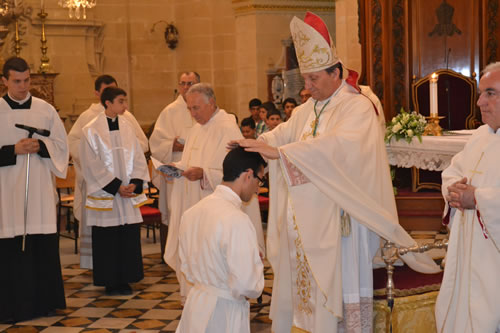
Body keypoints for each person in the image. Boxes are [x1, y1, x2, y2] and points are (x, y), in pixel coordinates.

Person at [231, 12, 439, 333]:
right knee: (306, 290)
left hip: (344, 220)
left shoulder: (355, 106)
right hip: (307, 219)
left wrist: (283, 153)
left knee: (341, 286)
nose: (308, 87)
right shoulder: (307, 110)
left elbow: (341, 147)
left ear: (336, 72)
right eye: (306, 79)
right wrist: (258, 142)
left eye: (314, 79)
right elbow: (283, 134)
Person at [163, 83, 265, 304]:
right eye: (190, 109)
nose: (193, 114)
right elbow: (192, 161)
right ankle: (195, 300)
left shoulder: (227, 127)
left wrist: (204, 174)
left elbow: (240, 172)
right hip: (195, 205)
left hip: (217, 211)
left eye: (197, 108)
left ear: (212, 103)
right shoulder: (197, 128)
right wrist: (178, 168)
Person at [0, 57, 68, 322]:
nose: (23, 86)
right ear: (4, 80)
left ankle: (44, 303)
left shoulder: (45, 110)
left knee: (40, 244)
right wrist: (12, 151)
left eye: (26, 80)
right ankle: (9, 306)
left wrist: (42, 147)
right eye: (17, 81)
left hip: (38, 190)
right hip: (6, 193)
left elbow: (62, 146)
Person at [435, 62, 500, 333]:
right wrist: (453, 190)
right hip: (468, 256)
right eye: (481, 93)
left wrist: (480, 199)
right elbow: (453, 171)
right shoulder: (479, 136)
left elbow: (478, 196)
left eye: (490, 93)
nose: (480, 102)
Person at [176, 147, 265, 333]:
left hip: (196, 306)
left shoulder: (191, 213)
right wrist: (256, 263)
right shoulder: (237, 219)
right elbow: (247, 285)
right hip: (224, 313)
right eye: (260, 179)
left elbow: (185, 265)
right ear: (248, 175)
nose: (259, 187)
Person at [68, 74, 148, 269]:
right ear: (107, 102)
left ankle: (129, 276)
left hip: (127, 192)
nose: (126, 106)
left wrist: (135, 182)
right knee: (108, 237)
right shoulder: (91, 127)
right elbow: (91, 163)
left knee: (127, 235)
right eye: (121, 101)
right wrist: (114, 186)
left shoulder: (127, 125)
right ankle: (110, 280)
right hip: (106, 192)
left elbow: (138, 153)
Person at [149, 71, 199, 258]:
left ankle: (196, 253)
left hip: (198, 172)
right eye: (183, 83)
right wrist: (171, 144)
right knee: (175, 212)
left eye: (190, 83)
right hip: (176, 171)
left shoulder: (204, 108)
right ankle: (174, 254)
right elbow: (155, 143)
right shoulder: (169, 111)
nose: (186, 87)